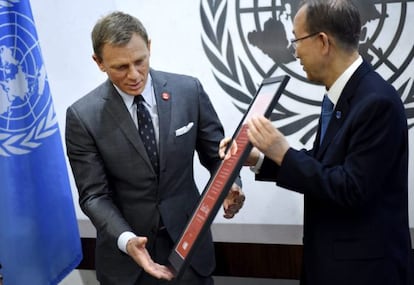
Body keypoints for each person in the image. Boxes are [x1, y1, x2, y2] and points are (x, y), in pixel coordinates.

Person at [220, 0, 413, 284]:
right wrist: (261, 159)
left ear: (323, 41)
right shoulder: (343, 95)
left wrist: (283, 153)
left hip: (363, 274)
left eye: (296, 39)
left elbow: (351, 187)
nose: (294, 51)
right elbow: (326, 164)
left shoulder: (376, 101)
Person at [65, 11, 244, 285]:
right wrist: (127, 240)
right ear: (98, 62)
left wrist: (231, 183)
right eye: (120, 67)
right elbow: (94, 196)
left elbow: (216, 154)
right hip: (127, 266)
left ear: (149, 46)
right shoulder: (83, 116)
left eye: (140, 61)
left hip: (190, 253)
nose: (134, 75)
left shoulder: (188, 91)